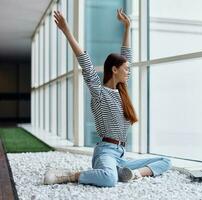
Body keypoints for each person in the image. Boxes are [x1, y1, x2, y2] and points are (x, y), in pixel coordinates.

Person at [43, 8, 172, 187]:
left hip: (120, 156)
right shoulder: (99, 92)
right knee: (109, 179)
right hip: (105, 153)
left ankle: (133, 174)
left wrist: (127, 28)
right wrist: (66, 30)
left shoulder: (122, 92)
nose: (128, 72)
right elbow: (84, 61)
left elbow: (126, 56)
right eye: (125, 69)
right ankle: (69, 176)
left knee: (165, 161)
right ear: (114, 70)